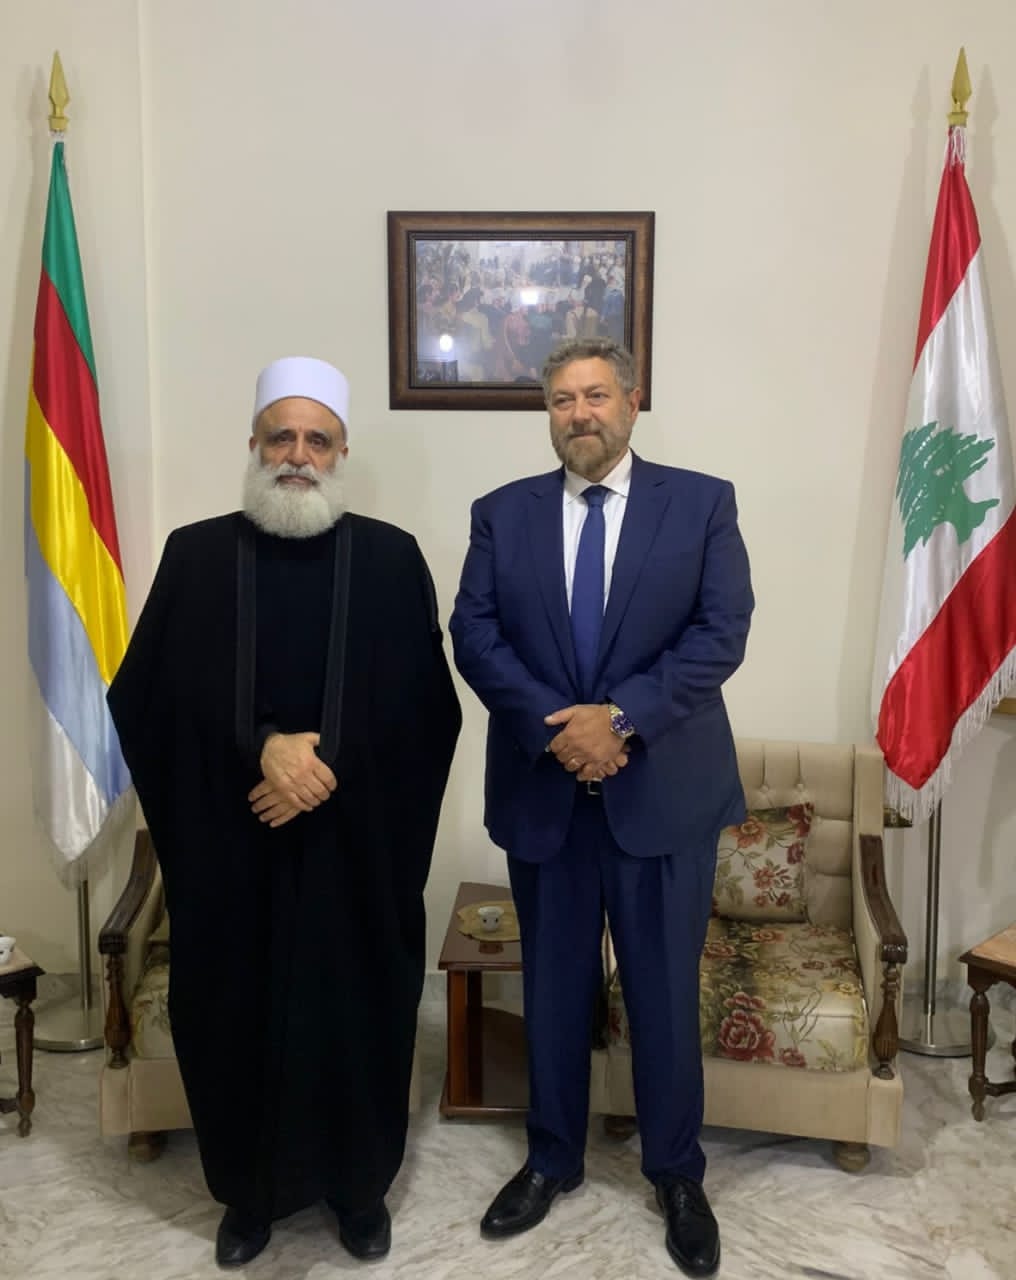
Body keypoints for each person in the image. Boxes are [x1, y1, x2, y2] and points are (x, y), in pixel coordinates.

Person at [108, 356, 461, 1269]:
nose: (297, 455)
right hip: (234, 852)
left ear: (341, 453)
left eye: (317, 440)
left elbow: (427, 709)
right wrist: (259, 744)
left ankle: (359, 1190)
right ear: (254, 445)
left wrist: (325, 764)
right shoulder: (196, 555)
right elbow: (147, 696)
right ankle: (248, 1195)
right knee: (235, 1015)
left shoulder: (390, 559)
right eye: (281, 438)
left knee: (359, 1012)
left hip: (354, 855)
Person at [449, 338, 753, 1278]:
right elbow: (475, 634)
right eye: (561, 400)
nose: (579, 413)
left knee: (663, 993)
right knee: (552, 988)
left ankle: (676, 1174)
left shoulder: (701, 503)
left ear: (632, 401)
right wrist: (562, 733)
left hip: (662, 795)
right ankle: (552, 1159)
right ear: (547, 413)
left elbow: (721, 631)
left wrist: (618, 720)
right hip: (547, 796)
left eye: (595, 395)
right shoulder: (502, 513)